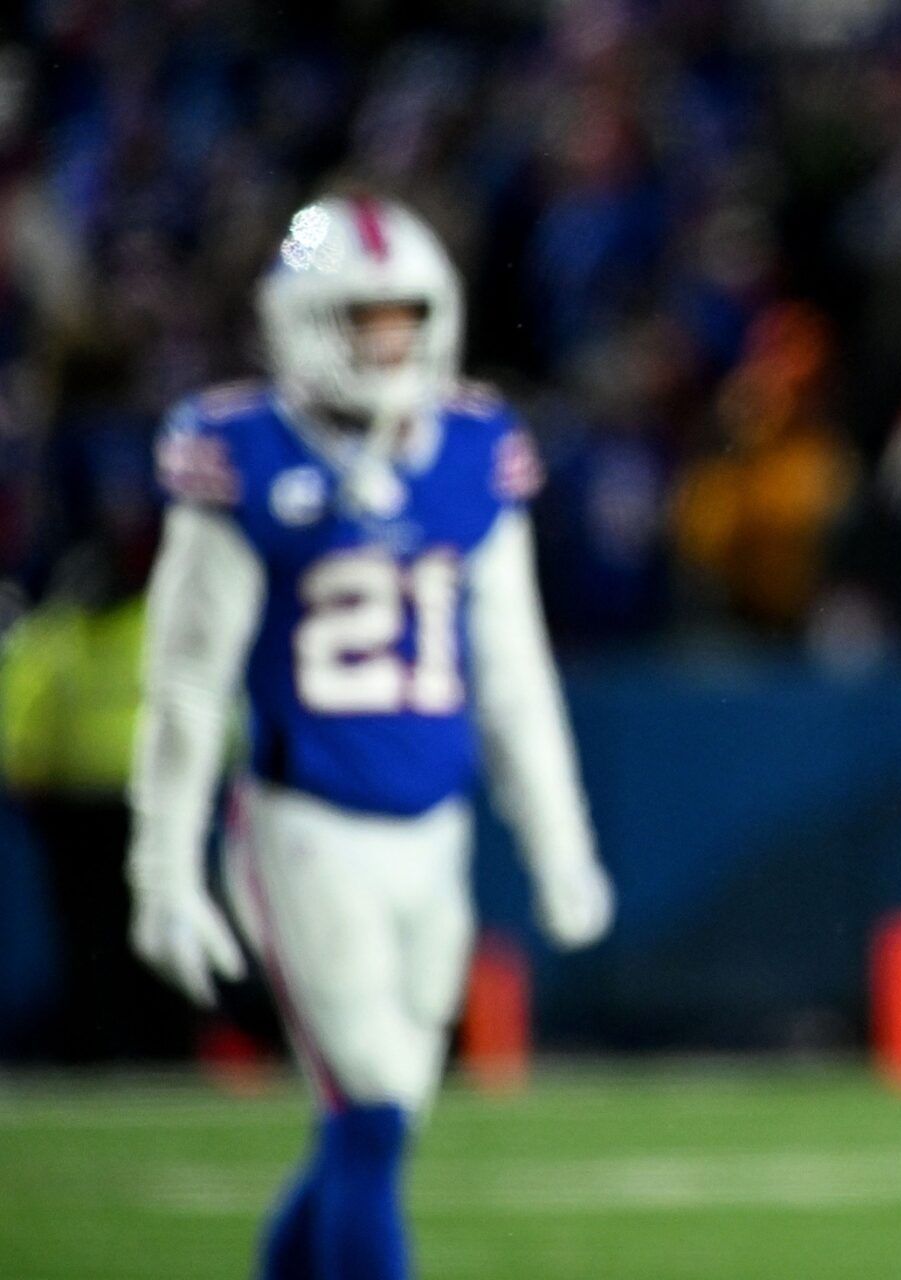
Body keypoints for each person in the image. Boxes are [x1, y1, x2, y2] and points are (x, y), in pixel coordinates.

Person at [125, 194, 615, 1280]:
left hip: (432, 830)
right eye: (362, 318)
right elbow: (187, 682)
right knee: (374, 1109)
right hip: (303, 824)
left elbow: (515, 671)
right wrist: (162, 867)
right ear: (303, 321)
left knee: (375, 1119)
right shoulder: (240, 448)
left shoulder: (475, 444)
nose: (388, 340)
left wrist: (559, 841)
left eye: (403, 315)